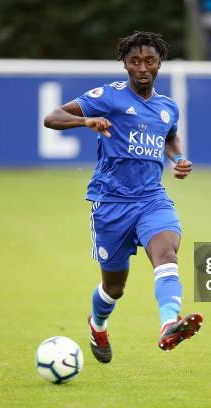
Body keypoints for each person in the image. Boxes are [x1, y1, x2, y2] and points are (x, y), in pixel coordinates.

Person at [43, 31, 202, 363]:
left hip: (152, 200)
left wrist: (178, 158)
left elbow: (169, 136)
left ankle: (169, 324)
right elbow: (52, 117)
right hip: (111, 204)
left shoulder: (167, 107)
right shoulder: (109, 97)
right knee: (114, 289)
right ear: (126, 65)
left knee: (166, 254)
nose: (142, 68)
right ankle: (97, 323)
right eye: (135, 61)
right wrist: (86, 120)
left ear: (159, 64)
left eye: (150, 61)